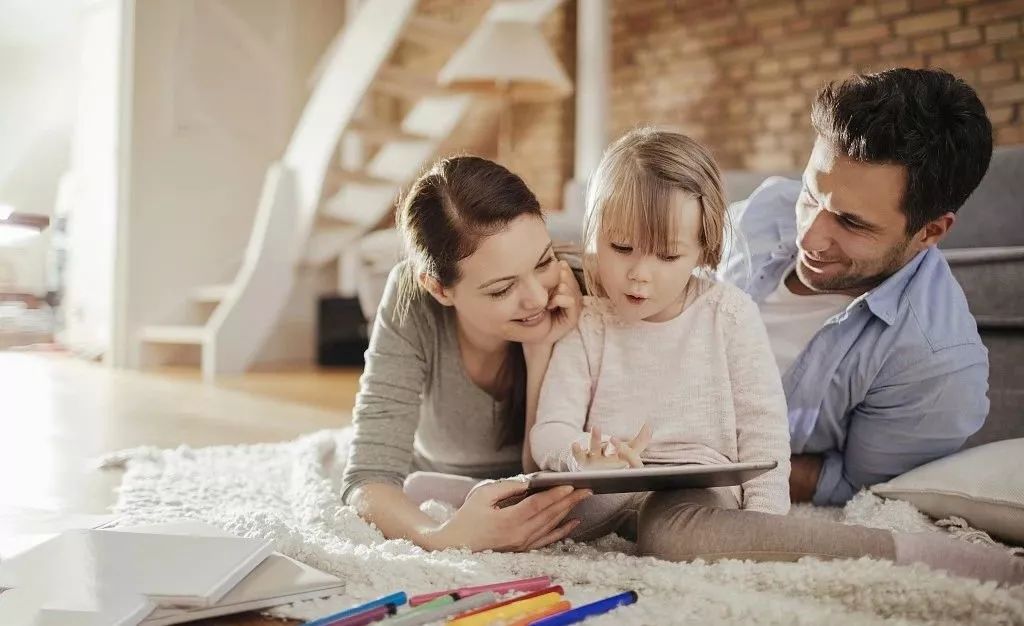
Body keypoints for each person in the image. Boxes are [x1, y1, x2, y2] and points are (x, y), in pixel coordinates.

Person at [719, 68, 993, 506]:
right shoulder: (765, 206)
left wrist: (708, 458)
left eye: (850, 222)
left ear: (930, 231)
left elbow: (858, 489)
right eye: (810, 195)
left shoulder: (936, 364)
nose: (808, 237)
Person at [530, 128, 790, 544]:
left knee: (669, 533)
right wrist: (586, 458)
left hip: (697, 489)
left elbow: (764, 433)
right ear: (594, 233)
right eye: (621, 246)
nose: (639, 274)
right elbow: (550, 430)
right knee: (528, 513)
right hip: (608, 484)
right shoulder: (589, 321)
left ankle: (892, 547)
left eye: (668, 256)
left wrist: (764, 521)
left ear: (704, 249)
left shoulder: (729, 314)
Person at [341, 155, 591, 552]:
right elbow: (368, 479)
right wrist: (442, 536)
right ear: (439, 288)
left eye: (544, 261)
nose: (538, 297)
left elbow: (557, 475)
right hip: (436, 484)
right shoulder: (411, 300)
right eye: (501, 289)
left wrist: (540, 349)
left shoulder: (582, 289)